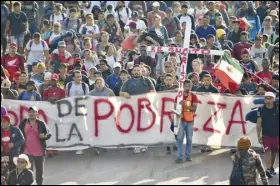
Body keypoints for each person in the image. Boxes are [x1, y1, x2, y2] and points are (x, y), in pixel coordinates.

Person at [19, 107, 51, 185]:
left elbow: (49, 134)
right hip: (27, 150)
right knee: (28, 170)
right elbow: (19, 133)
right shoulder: (24, 122)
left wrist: (44, 136)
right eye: (30, 112)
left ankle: (39, 183)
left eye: (33, 112)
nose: (31, 113)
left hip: (39, 150)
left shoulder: (41, 123)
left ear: (37, 114)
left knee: (39, 171)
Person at [174, 79, 199, 163]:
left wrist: (184, 105)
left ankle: (188, 156)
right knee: (180, 139)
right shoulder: (178, 96)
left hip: (190, 121)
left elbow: (194, 109)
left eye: (190, 86)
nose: (188, 87)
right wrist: (178, 114)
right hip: (181, 120)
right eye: (187, 86)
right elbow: (174, 109)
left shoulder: (193, 96)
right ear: (183, 86)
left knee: (189, 139)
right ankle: (179, 157)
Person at [257, 92, 279, 178]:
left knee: (273, 152)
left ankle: (272, 167)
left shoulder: (277, 108)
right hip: (266, 135)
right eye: (266, 98)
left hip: (276, 135)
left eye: (270, 98)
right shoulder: (261, 109)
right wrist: (258, 136)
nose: (268, 100)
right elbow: (259, 123)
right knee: (267, 152)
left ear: (274, 99)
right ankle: (268, 169)